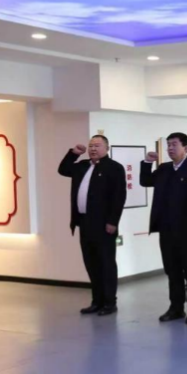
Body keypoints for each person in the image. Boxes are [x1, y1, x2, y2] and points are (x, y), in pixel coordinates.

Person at [140, 133, 187, 325]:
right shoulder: (164, 169)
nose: (170, 148)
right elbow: (145, 181)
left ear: (185, 148)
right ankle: (176, 307)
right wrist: (147, 163)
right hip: (167, 229)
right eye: (168, 145)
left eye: (174, 145)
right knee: (172, 270)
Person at [57, 135, 126, 316]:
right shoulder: (82, 166)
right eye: (91, 146)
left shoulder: (114, 168)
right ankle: (97, 301)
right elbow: (63, 170)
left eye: (97, 145)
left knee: (106, 263)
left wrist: (113, 221)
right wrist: (73, 154)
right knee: (91, 263)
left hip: (104, 224)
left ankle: (110, 302)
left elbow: (119, 197)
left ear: (107, 148)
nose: (93, 149)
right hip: (84, 222)